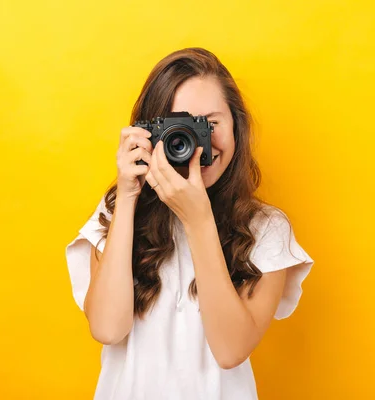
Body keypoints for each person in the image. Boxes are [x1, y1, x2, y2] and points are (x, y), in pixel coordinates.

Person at [65, 47, 314, 400]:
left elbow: (230, 351)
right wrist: (127, 195)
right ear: (148, 133)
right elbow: (107, 328)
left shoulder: (267, 229)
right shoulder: (116, 211)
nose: (198, 144)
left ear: (236, 127)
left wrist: (198, 220)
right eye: (179, 128)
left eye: (210, 124)